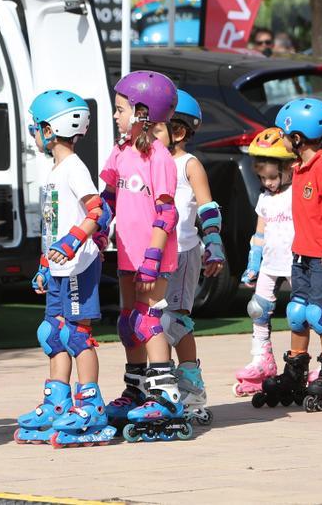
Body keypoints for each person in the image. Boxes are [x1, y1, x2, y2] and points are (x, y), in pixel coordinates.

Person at [16, 90, 115, 448]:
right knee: (52, 334)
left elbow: (97, 211)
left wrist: (73, 242)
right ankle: (57, 402)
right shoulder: (54, 170)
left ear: (48, 129)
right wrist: (44, 264)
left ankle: (90, 405)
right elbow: (52, 224)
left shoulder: (74, 167)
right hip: (58, 267)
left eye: (34, 128)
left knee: (77, 335)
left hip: (78, 266)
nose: (32, 135)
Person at [99, 70, 191, 442]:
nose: (116, 116)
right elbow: (107, 196)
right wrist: (97, 225)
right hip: (125, 252)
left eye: (120, 110)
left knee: (149, 320)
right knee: (128, 322)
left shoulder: (161, 159)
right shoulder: (120, 151)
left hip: (152, 255)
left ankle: (164, 394)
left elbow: (167, 213)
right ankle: (136, 389)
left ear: (142, 113)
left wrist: (152, 257)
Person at [262, 98, 322, 412]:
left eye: (284, 135)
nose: (282, 140)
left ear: (298, 138)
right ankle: (296, 371)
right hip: (302, 253)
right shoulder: (299, 166)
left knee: (318, 313)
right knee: (297, 312)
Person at [151, 90, 224, 426]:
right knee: (151, 322)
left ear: (177, 132)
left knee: (174, 322)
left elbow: (207, 207)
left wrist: (214, 244)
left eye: (155, 129)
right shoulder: (151, 161)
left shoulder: (188, 164)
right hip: (154, 254)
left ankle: (189, 387)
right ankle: (158, 384)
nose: (148, 135)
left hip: (182, 253)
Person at [234, 128, 296, 398]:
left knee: (306, 313)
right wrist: (253, 264)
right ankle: (262, 359)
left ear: (289, 167)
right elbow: (258, 235)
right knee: (257, 309)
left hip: (298, 261)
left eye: (272, 177)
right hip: (270, 263)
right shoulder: (265, 199)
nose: (268, 183)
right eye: (262, 178)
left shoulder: (296, 194)